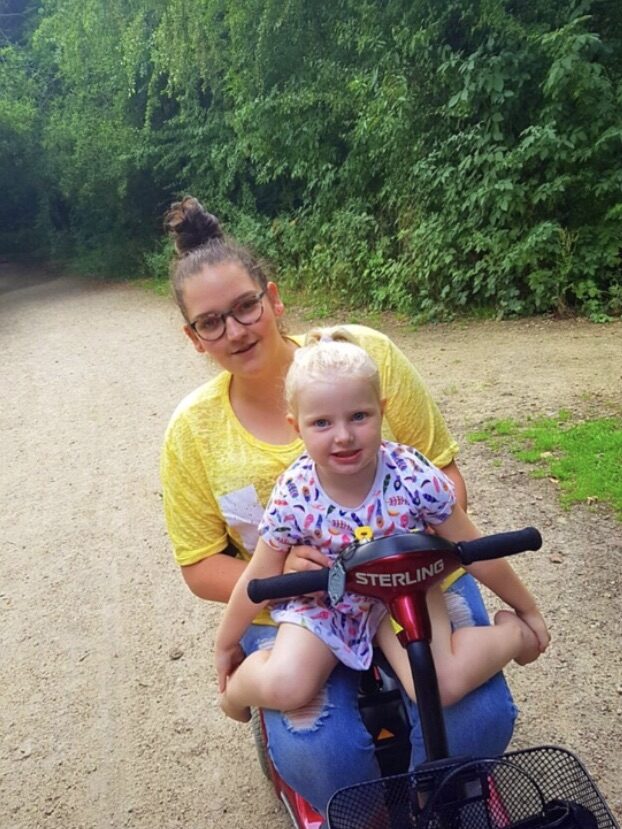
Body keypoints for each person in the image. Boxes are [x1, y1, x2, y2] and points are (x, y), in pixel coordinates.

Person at [159, 195, 544, 817]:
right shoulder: (205, 440)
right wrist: (266, 599)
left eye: (246, 307)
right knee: (329, 756)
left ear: (273, 299)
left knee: (470, 719)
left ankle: (441, 789)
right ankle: (348, 796)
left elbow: (450, 497)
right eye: (211, 322)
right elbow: (208, 567)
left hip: (409, 579)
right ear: (193, 337)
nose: (235, 330)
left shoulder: (365, 362)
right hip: (307, 603)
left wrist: (420, 561)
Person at [214, 331, 548, 724]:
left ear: (382, 410)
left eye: (359, 416)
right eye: (321, 422)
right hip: (326, 600)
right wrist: (226, 642)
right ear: (296, 426)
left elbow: (474, 549)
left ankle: (512, 634)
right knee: (288, 684)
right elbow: (258, 576)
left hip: (405, 589)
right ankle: (235, 694)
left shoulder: (412, 476)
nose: (343, 436)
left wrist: (527, 609)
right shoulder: (294, 493)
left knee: (436, 686)